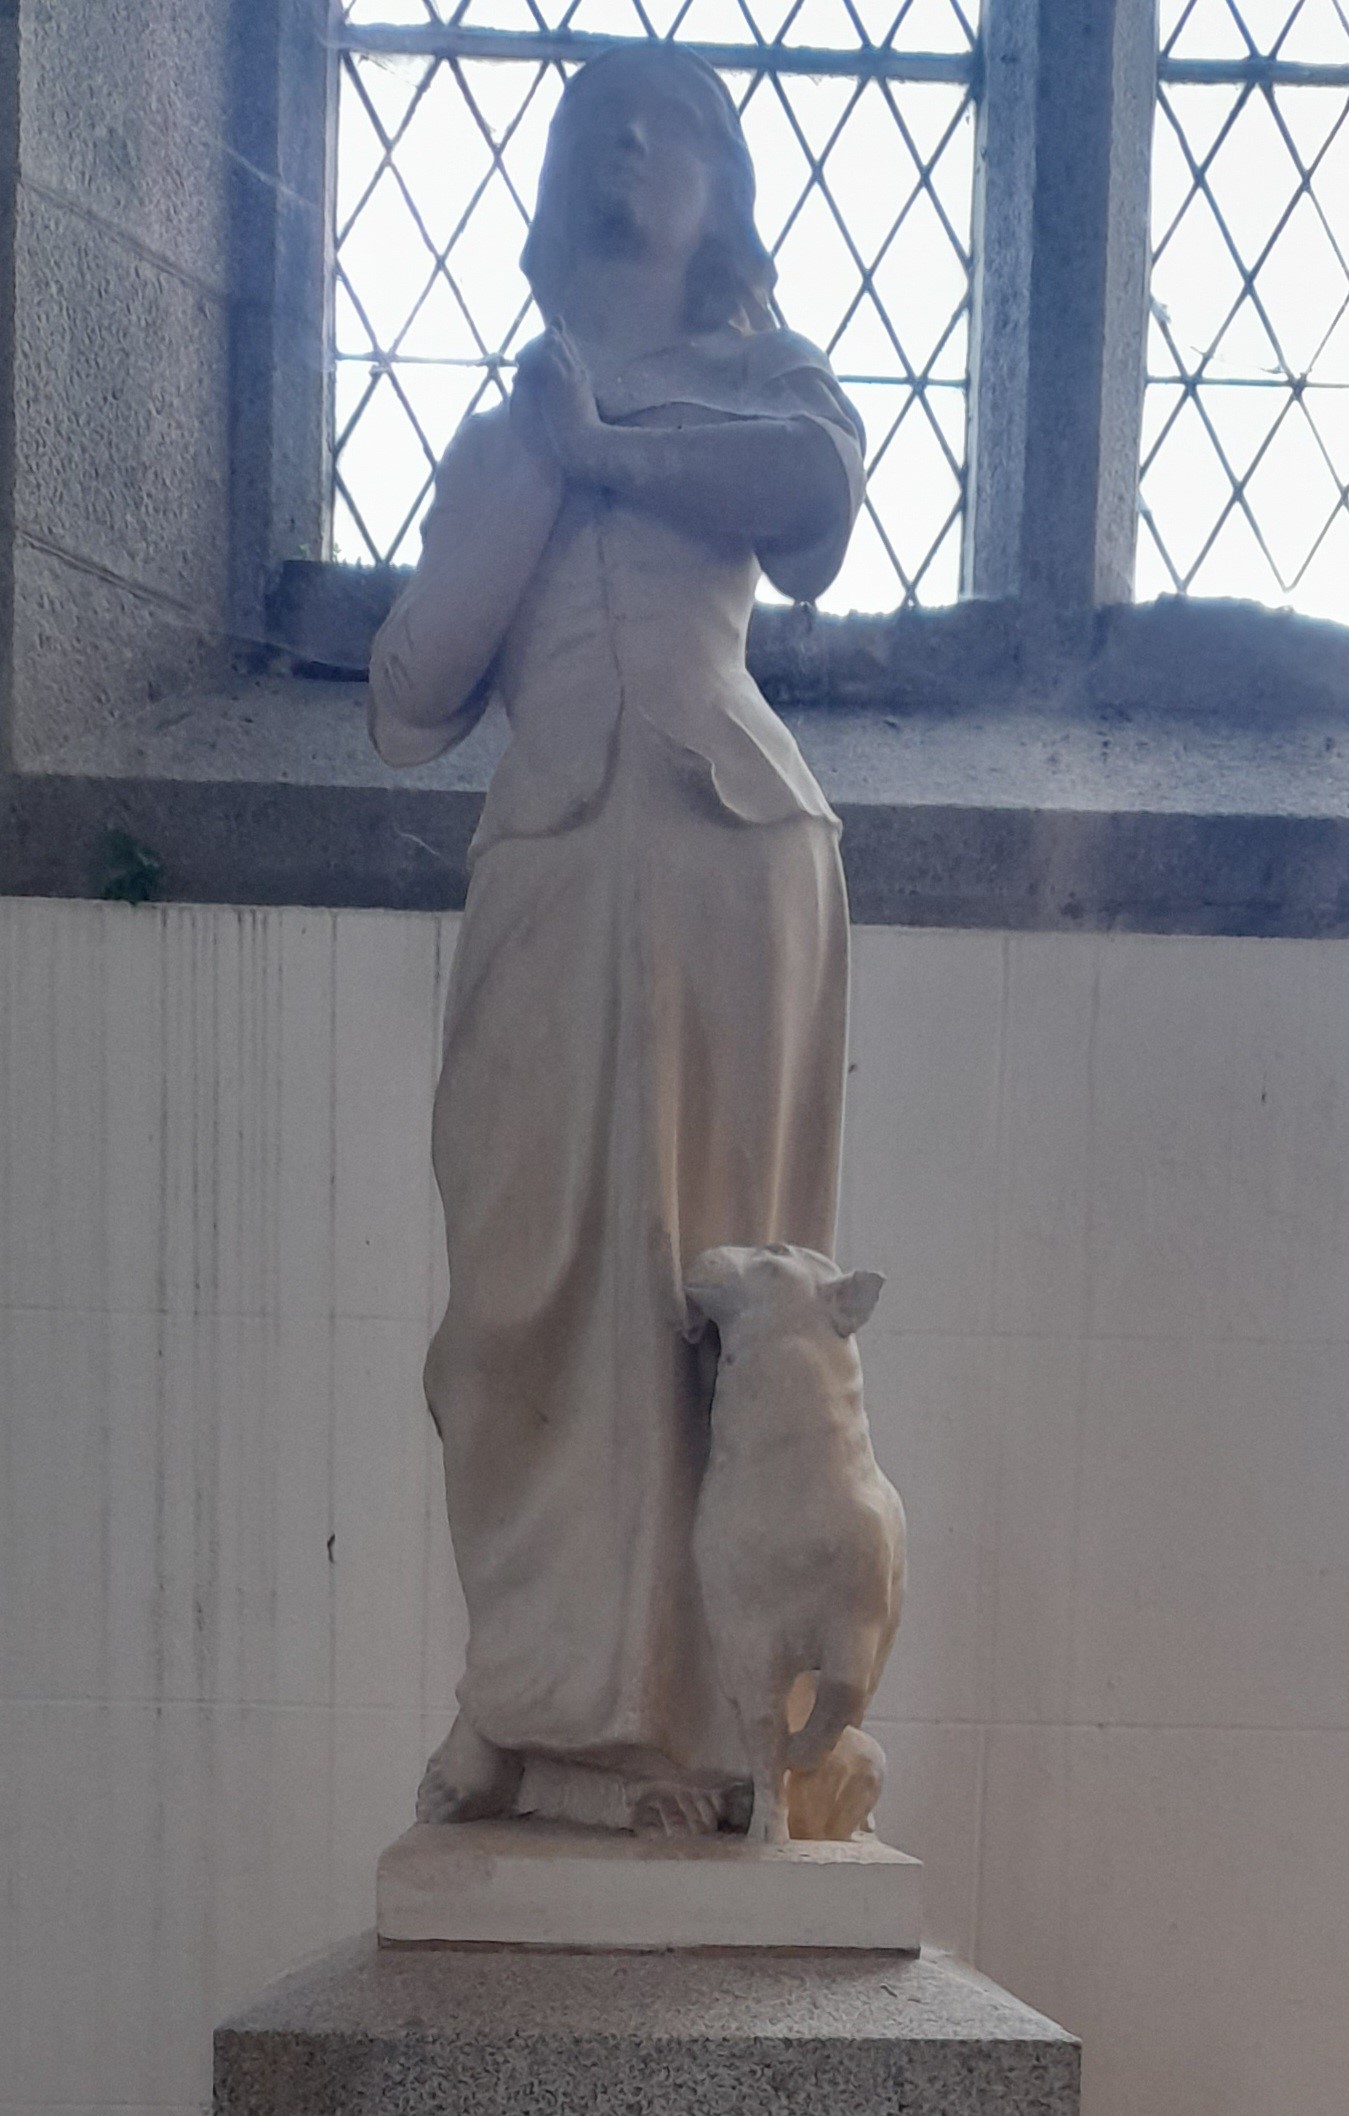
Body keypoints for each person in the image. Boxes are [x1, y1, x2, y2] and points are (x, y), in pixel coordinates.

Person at [369, 43, 864, 1831]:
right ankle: (530, 1702)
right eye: (594, 113)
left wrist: (613, 443)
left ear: (722, 192)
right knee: (519, 1301)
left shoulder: (761, 379)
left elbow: (817, 495)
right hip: (554, 871)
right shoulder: (497, 439)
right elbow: (410, 699)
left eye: (675, 118)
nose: (631, 136)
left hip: (733, 854)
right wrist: (524, 473)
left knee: (704, 1300)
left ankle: (707, 1724)